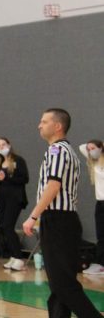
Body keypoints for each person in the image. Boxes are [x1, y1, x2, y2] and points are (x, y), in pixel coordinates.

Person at [20, 109, 100, 318]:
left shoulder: (57, 150)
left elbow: (53, 186)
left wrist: (33, 216)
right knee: (58, 287)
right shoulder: (66, 150)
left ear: (57, 126)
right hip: (63, 222)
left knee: (63, 285)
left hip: (58, 221)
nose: (39, 125)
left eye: (44, 121)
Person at [0, 137, 29, 270]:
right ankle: (13, 255)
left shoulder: (18, 160)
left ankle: (19, 257)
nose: (1, 147)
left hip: (15, 198)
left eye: (3, 145)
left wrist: (7, 177)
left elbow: (24, 178)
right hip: (2, 199)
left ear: (9, 145)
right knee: (3, 227)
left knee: (8, 225)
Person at [78, 139, 104, 275]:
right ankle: (101, 264)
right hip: (100, 203)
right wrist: (91, 148)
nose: (90, 151)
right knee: (101, 235)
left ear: (101, 148)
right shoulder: (95, 162)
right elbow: (81, 147)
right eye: (89, 149)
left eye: (93, 148)